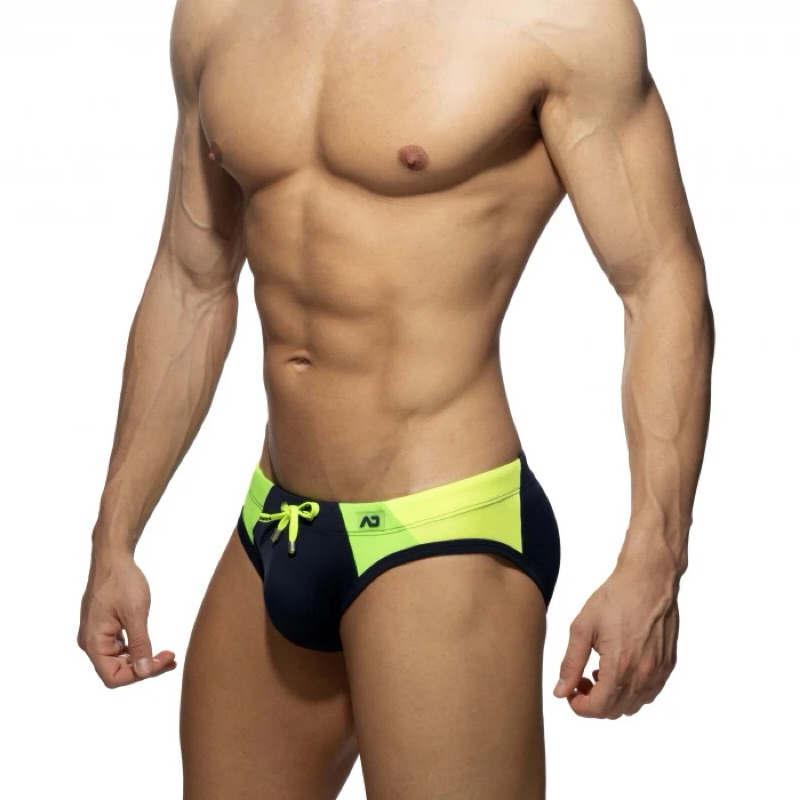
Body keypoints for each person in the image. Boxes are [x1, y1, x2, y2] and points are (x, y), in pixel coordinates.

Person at [77, 0, 714, 796]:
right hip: (275, 522)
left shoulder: (554, 19)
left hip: (444, 527)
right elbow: (191, 281)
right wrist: (114, 534)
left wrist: (655, 560)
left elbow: (660, 282)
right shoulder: (219, 14)